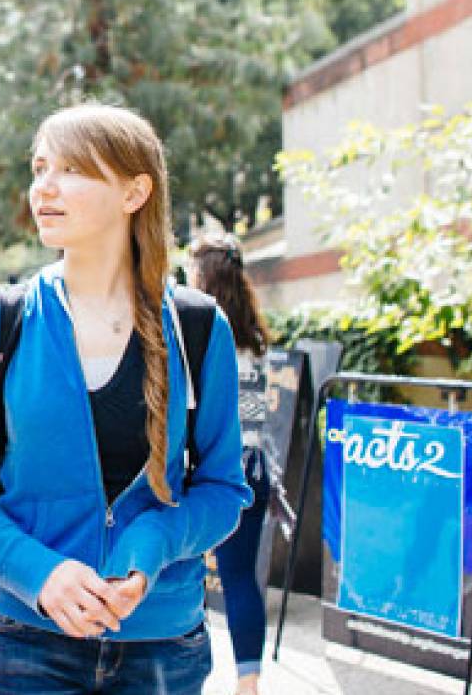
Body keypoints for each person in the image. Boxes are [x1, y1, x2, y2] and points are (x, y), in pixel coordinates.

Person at [0, 104, 252, 695]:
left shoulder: (201, 327)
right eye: (40, 166)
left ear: (135, 192)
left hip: (163, 646)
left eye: (72, 169)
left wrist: (150, 545)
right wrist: (40, 574)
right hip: (26, 640)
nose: (44, 187)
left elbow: (225, 491)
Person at [190, 233, 272, 695]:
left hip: (212, 474)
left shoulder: (201, 335)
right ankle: (249, 684)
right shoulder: (255, 339)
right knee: (241, 579)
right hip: (254, 469)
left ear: (204, 276)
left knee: (184, 575)